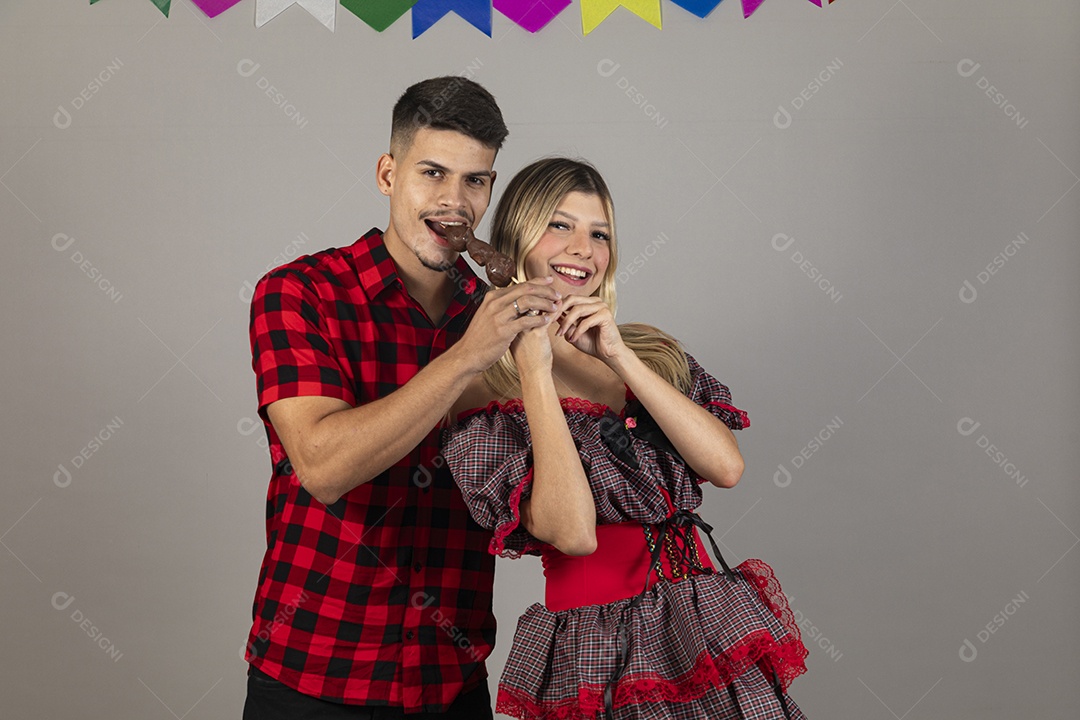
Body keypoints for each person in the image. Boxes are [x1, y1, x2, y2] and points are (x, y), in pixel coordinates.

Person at [242, 78, 564, 720]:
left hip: (452, 683)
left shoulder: (505, 322)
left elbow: (544, 507)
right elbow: (324, 467)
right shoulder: (299, 293)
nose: (454, 202)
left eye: (475, 181)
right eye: (432, 173)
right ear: (388, 174)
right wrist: (468, 355)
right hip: (313, 678)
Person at [442, 158, 809, 719]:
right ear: (516, 239)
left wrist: (620, 357)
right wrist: (535, 369)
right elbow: (573, 533)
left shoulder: (650, 351)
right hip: (601, 647)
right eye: (560, 225)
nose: (583, 249)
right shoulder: (481, 394)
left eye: (600, 234)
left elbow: (726, 467)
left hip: (700, 627)